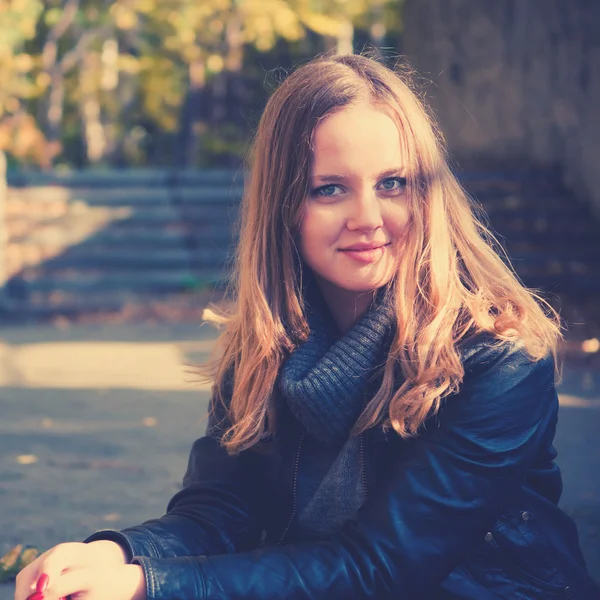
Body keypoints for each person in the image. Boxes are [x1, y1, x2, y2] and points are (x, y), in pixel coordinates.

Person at [15, 52, 600, 600]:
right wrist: (113, 555)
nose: (368, 218)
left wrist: (150, 584)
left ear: (428, 195)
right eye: (330, 189)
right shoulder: (265, 349)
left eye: (393, 183)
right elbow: (218, 513)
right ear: (285, 205)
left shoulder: (498, 358)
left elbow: (384, 567)